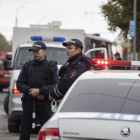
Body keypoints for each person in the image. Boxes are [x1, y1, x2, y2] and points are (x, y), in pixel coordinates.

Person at [16, 41, 59, 140]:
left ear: (44, 51)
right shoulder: (27, 65)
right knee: (24, 133)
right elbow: (19, 84)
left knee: (47, 133)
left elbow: (56, 85)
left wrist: (40, 91)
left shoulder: (52, 66)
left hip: (44, 103)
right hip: (29, 103)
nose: (34, 53)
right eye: (33, 51)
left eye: (37, 51)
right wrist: (34, 92)